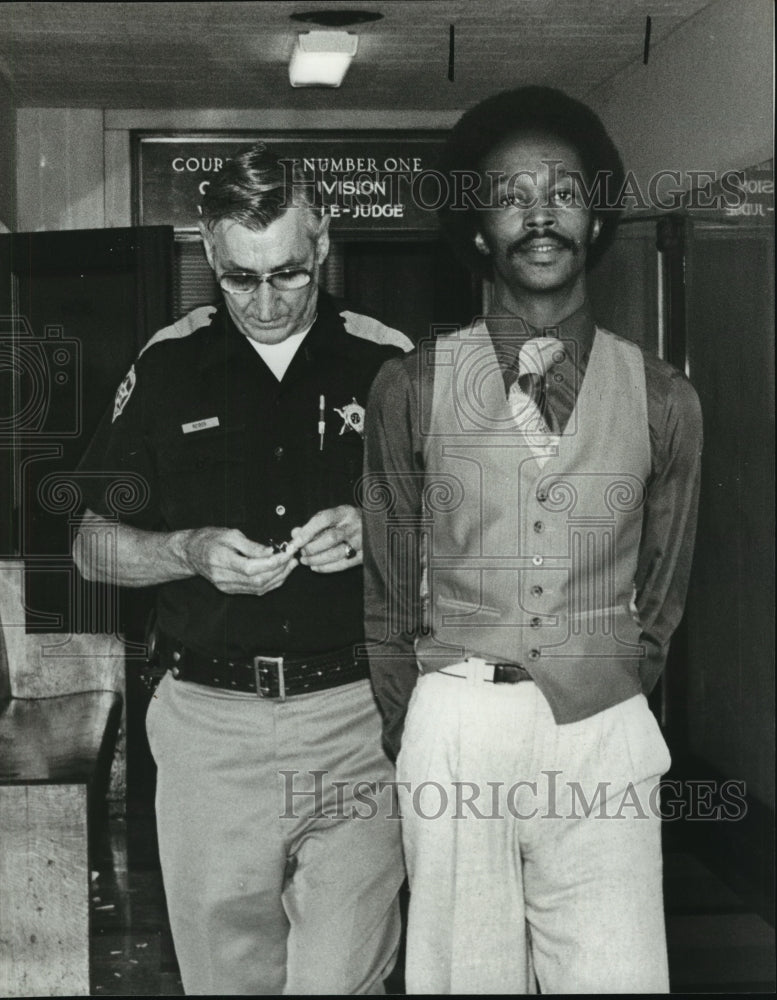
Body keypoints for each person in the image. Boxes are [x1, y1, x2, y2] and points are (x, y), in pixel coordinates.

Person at [362, 86, 702, 994]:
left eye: (562, 190)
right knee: (462, 975)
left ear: (595, 219)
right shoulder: (412, 384)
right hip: (459, 715)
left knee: (617, 973)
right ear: (477, 227)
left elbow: (664, 592)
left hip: (604, 724)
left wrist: (612, 684)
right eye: (511, 194)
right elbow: (389, 590)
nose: (539, 213)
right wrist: (428, 722)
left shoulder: (663, 395)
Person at [73, 143, 409, 996]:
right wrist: (183, 551)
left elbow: (471, 528)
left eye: (288, 274)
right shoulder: (167, 364)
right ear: (209, 251)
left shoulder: (391, 363)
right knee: (228, 981)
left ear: (324, 241)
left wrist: (381, 530)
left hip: (355, 721)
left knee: (345, 979)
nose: (264, 301)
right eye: (238, 278)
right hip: (208, 732)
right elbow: (90, 542)